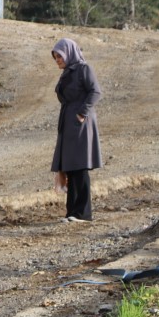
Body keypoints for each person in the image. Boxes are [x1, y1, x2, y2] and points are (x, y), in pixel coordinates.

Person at [50, 38, 102, 222]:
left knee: (80, 166)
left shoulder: (83, 69)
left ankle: (83, 213)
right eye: (56, 57)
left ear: (69, 53)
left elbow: (95, 91)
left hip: (80, 122)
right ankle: (72, 212)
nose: (58, 60)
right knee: (70, 167)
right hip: (68, 121)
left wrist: (82, 113)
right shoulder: (67, 73)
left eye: (60, 56)